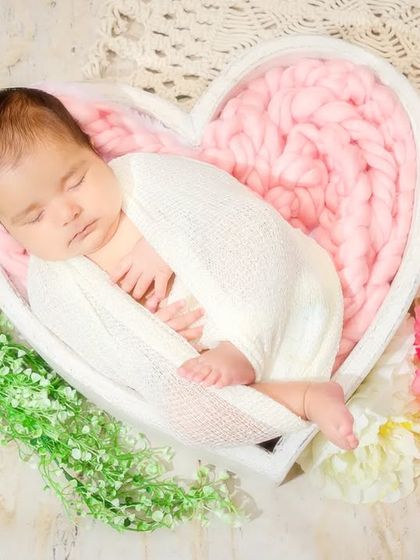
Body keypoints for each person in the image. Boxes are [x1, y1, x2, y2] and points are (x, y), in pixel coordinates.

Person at [0, 87, 359, 450]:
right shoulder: (54, 289)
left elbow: (226, 207)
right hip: (200, 357)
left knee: (248, 236)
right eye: (35, 216)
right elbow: (113, 356)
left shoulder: (143, 178)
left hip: (259, 302)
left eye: (75, 181)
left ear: (93, 151)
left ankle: (242, 348)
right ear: (10, 231)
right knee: (188, 415)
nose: (67, 213)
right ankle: (304, 398)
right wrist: (154, 334)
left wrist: (165, 243)